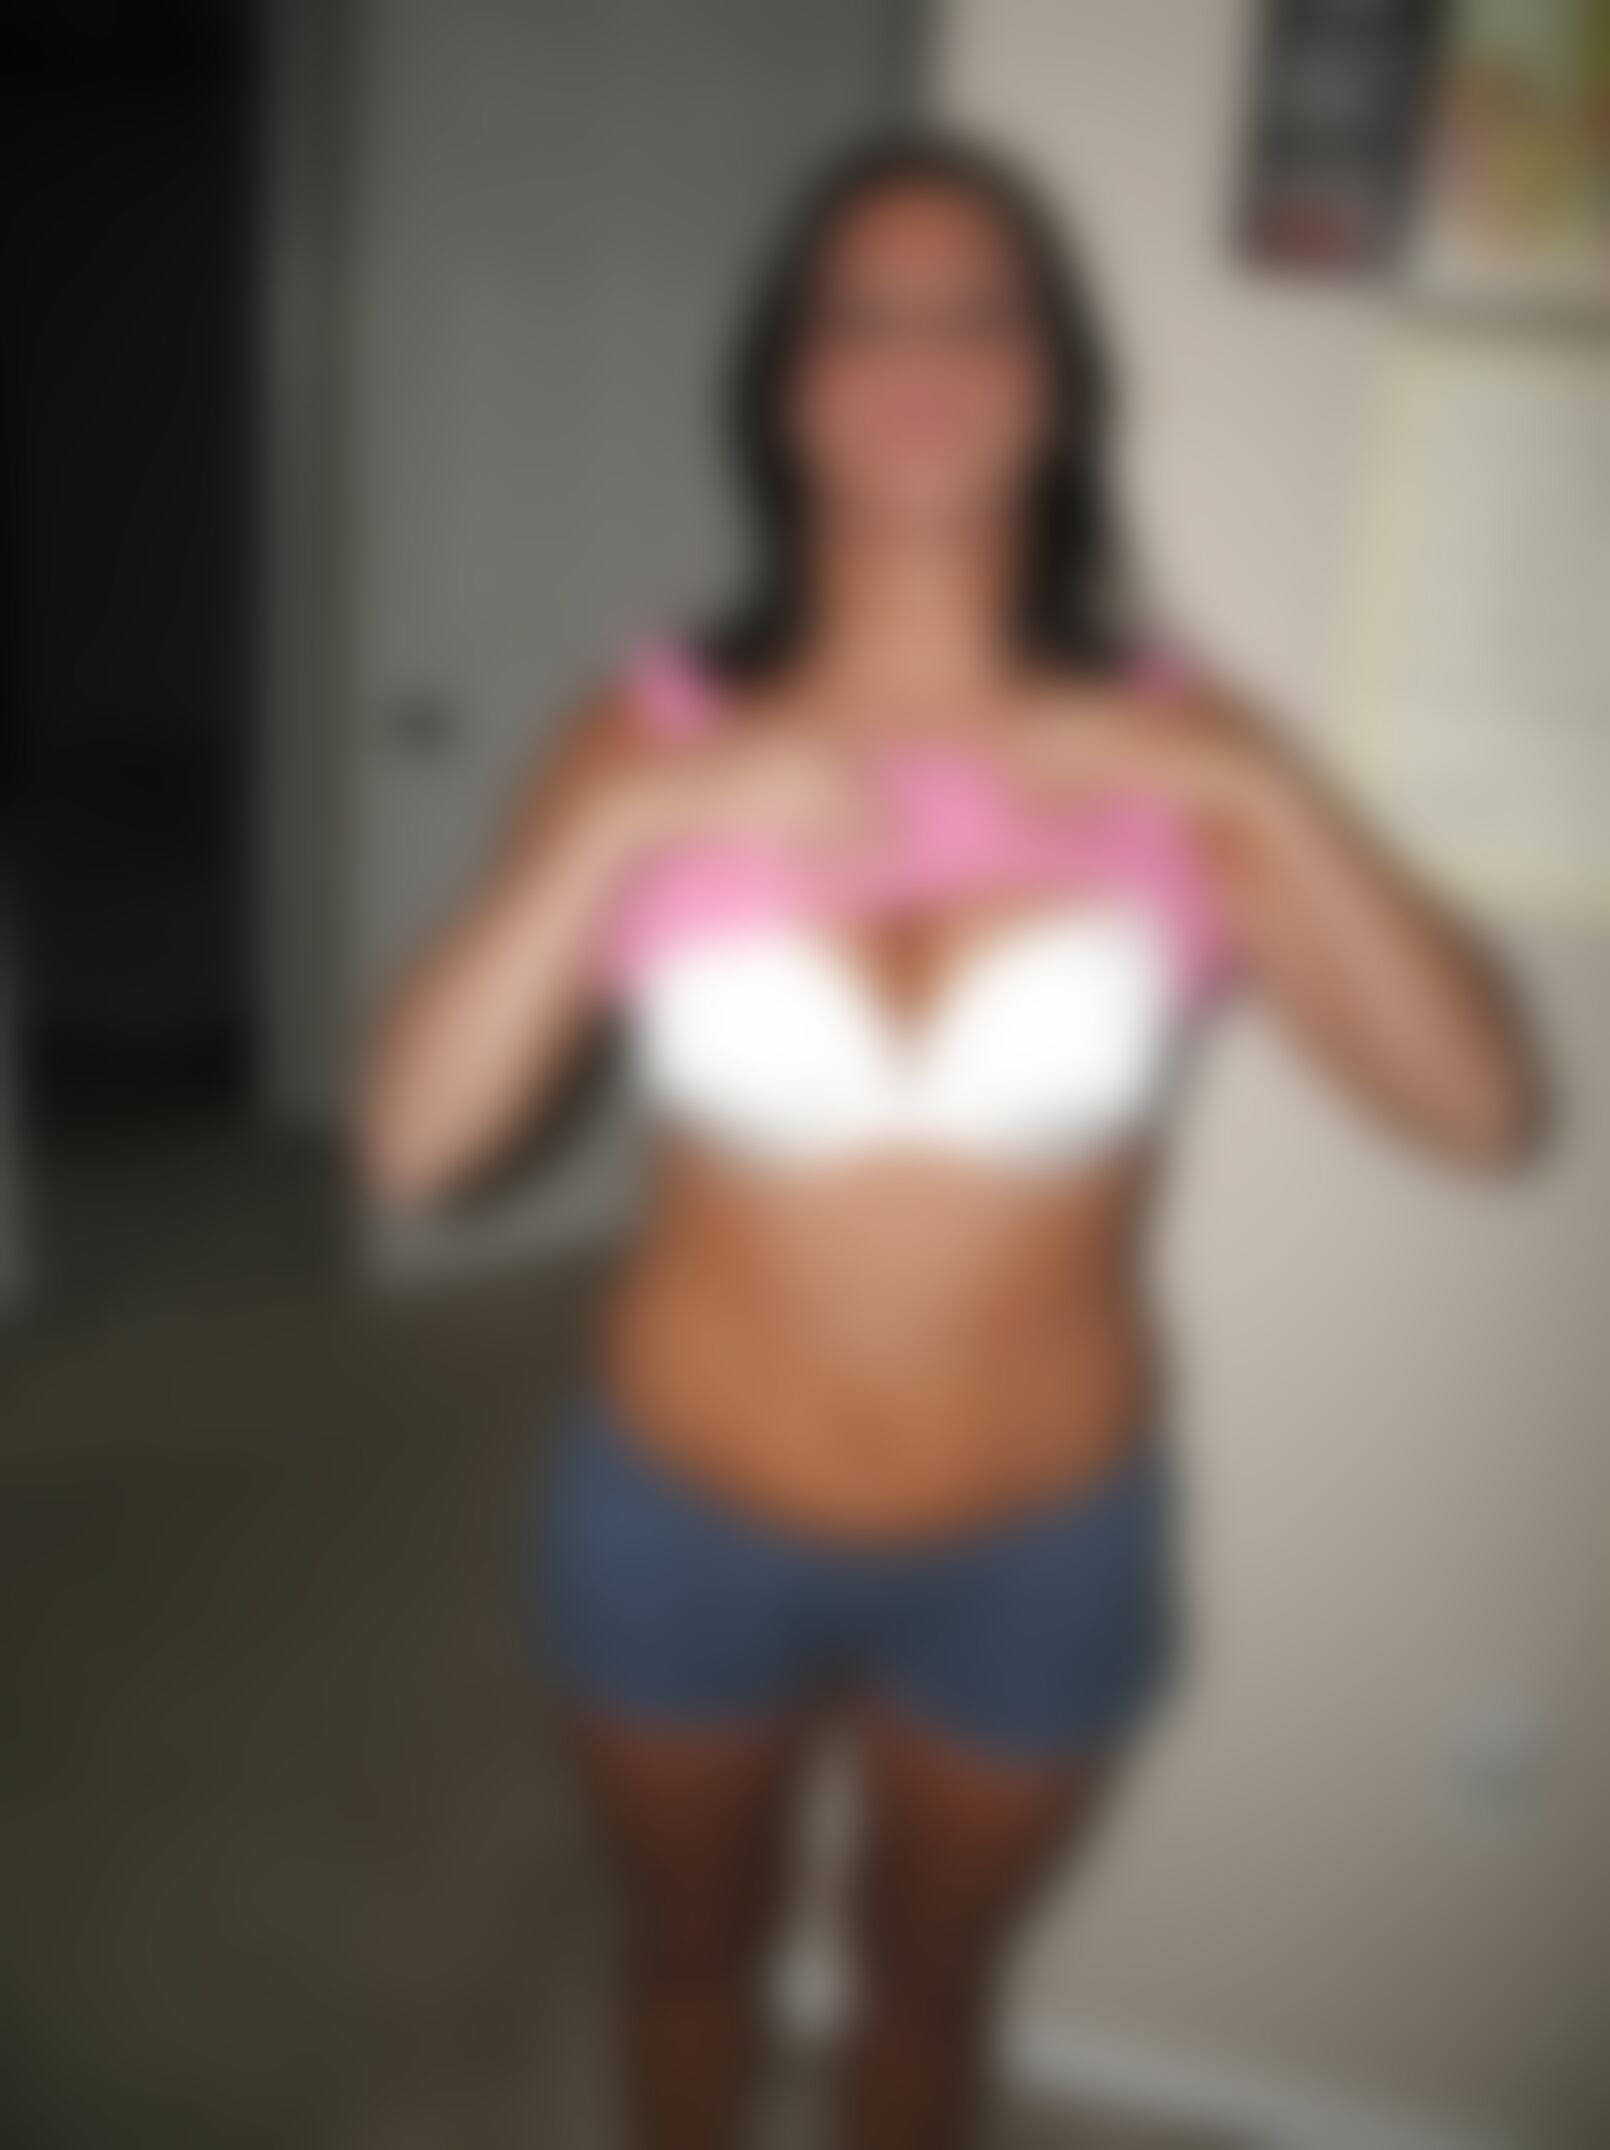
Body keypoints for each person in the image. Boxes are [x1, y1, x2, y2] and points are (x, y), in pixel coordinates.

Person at [355, 136, 1536, 2150]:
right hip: (675, 1510)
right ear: (782, 389)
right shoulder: (642, 733)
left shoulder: (1184, 752)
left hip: (1036, 1538)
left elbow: (1480, 1112)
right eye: (858, 316)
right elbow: (410, 1147)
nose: (916, 356)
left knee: (927, 1992)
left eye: (975, 313)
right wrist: (633, 823)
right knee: (683, 1959)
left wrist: (1243, 776)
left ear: (1055, 385)